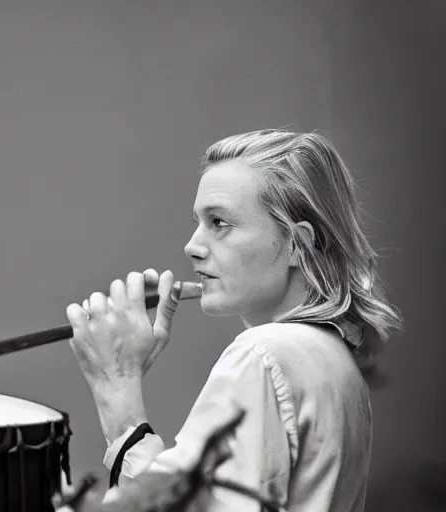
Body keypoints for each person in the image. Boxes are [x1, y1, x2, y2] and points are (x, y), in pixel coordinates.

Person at [64, 129, 404, 511]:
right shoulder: (331, 356)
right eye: (198, 221)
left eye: (219, 223)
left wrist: (118, 389)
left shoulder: (263, 354)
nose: (192, 247)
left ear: (299, 244)